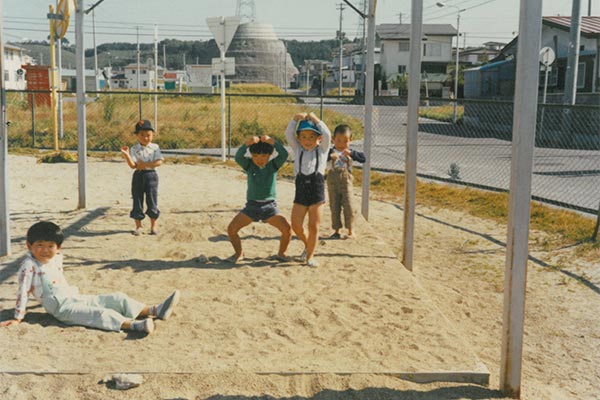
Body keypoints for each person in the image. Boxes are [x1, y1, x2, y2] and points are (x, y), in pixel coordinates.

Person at [0, 221, 180, 334]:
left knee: (114, 298)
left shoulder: (56, 258)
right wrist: (18, 318)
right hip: (62, 309)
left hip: (73, 296)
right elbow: (22, 292)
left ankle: (155, 310)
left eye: (50, 246)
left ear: (59, 247)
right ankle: (133, 325)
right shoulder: (29, 266)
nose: (45, 250)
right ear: (29, 245)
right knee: (99, 314)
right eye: (39, 245)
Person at [227, 135, 291, 263]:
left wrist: (273, 142)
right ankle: (239, 253)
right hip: (252, 207)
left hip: (269, 207)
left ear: (270, 155)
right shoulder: (249, 165)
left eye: (263, 156)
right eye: (255, 156)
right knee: (231, 229)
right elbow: (238, 157)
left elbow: (284, 154)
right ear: (251, 156)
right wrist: (246, 144)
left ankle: (282, 253)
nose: (259, 160)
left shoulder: (273, 165)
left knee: (287, 230)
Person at [285, 112, 331, 267]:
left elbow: (327, 134)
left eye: (312, 137)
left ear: (319, 138)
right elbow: (288, 134)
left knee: (314, 225)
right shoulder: (297, 149)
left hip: (316, 189)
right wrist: (295, 119)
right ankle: (308, 244)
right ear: (298, 138)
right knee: (296, 225)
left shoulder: (323, 150)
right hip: (301, 189)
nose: (307, 140)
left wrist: (316, 120)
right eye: (303, 136)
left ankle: (310, 256)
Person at [120, 119, 164, 236]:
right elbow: (133, 165)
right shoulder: (135, 149)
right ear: (137, 136)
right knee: (137, 200)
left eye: (148, 135)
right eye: (142, 135)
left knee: (152, 200)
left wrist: (146, 165)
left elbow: (159, 162)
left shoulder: (155, 147)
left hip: (151, 176)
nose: (145, 138)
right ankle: (138, 226)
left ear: (152, 135)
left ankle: (153, 226)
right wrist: (127, 155)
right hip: (139, 176)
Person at [326, 124, 366, 239]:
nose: (342, 144)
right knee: (334, 205)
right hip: (332, 179)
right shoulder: (330, 151)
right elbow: (321, 157)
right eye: (338, 140)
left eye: (345, 141)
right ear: (333, 139)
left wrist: (352, 154)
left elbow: (363, 158)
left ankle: (350, 230)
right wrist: (330, 156)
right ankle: (336, 230)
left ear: (350, 140)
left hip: (346, 179)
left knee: (348, 205)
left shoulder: (349, 151)